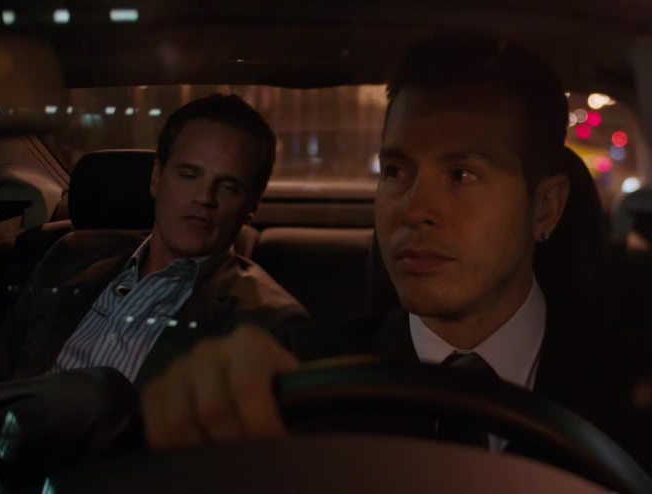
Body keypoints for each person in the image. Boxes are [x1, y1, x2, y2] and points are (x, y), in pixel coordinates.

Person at [141, 35, 639, 458]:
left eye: (461, 175)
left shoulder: (631, 384)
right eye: (396, 171)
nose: (412, 209)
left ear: (545, 207)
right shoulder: (308, 376)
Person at [0, 94, 311, 484]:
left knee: (96, 395)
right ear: (157, 177)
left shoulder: (268, 320)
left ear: (252, 203)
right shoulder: (70, 256)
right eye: (188, 174)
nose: (203, 198)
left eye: (227, 186)